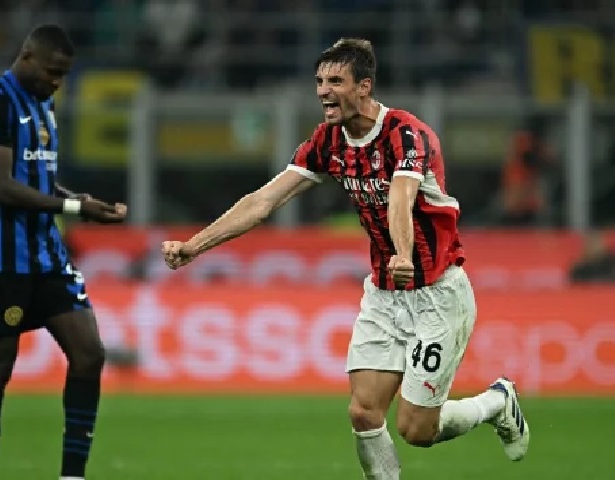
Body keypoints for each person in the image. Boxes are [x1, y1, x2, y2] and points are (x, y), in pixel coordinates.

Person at [162, 38, 529, 479]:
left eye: (335, 80)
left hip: (437, 294)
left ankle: (496, 401)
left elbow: (401, 196)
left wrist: (404, 254)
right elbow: (262, 201)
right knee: (363, 413)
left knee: (416, 429)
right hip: (384, 296)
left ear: (363, 87)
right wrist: (193, 246)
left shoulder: (406, 134)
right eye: (319, 81)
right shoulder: (327, 141)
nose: (322, 90)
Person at [0, 24, 127, 480]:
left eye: (64, 75)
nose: (58, 82)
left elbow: (36, 181)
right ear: (28, 56)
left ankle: (71, 476)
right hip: (0, 258)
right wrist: (71, 205)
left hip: (45, 254)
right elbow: (0, 187)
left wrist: (81, 205)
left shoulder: (44, 105)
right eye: (53, 72)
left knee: (89, 353)